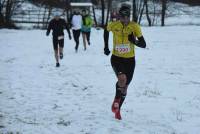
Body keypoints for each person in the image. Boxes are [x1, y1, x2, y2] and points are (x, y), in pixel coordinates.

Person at [104, 4, 146, 120]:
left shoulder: (134, 27)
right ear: (119, 17)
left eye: (127, 17)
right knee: (122, 79)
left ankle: (118, 109)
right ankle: (117, 100)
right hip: (116, 58)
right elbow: (106, 31)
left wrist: (134, 41)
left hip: (130, 60)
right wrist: (106, 47)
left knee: (125, 86)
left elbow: (143, 44)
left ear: (129, 16)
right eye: (122, 17)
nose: (125, 20)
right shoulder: (114, 25)